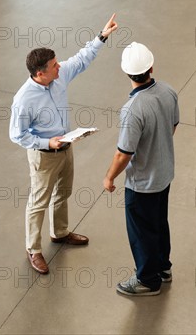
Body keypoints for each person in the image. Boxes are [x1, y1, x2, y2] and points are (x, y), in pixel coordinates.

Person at [10, 14, 118, 275]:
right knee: (38, 201)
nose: (60, 67)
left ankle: (59, 233)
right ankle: (33, 250)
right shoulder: (23, 100)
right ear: (40, 73)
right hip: (44, 156)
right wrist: (48, 142)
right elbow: (17, 134)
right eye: (54, 66)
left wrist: (101, 37)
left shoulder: (58, 77)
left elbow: (81, 59)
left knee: (63, 193)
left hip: (66, 149)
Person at [103, 42, 179, 296]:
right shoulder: (168, 91)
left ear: (126, 73)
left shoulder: (132, 110)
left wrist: (109, 177)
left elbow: (124, 153)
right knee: (159, 222)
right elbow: (172, 126)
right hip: (165, 173)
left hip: (142, 183)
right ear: (151, 67)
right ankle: (163, 268)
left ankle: (148, 279)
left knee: (141, 231)